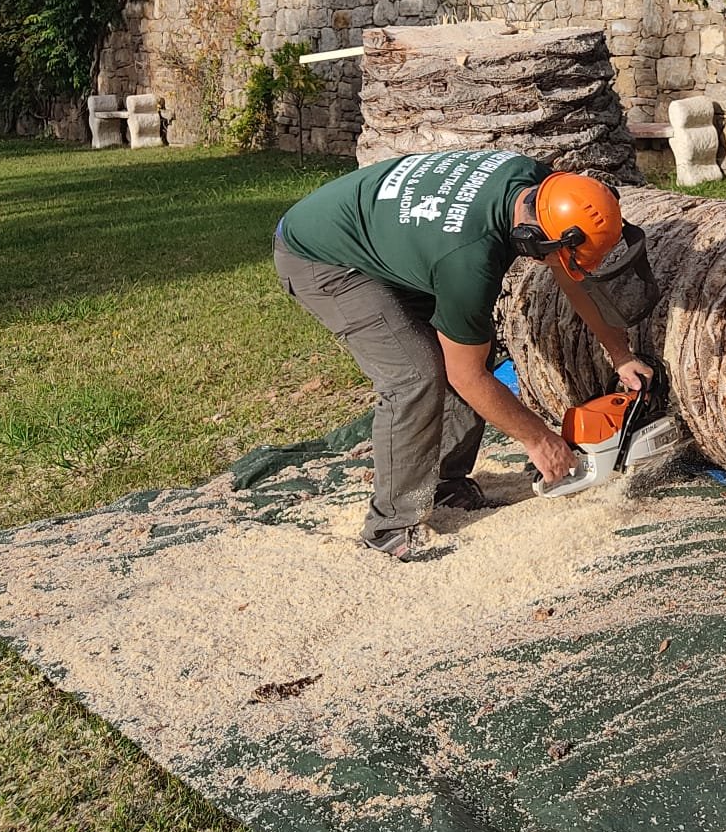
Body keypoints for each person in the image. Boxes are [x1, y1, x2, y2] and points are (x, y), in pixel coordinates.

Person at [273, 148, 654, 560]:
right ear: (532, 238)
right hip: (321, 255)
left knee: (469, 344)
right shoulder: (469, 258)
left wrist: (621, 354)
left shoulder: (544, 193)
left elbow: (571, 277)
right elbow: (465, 376)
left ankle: (443, 485)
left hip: (395, 241)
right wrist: (538, 439)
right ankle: (390, 525)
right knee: (415, 375)